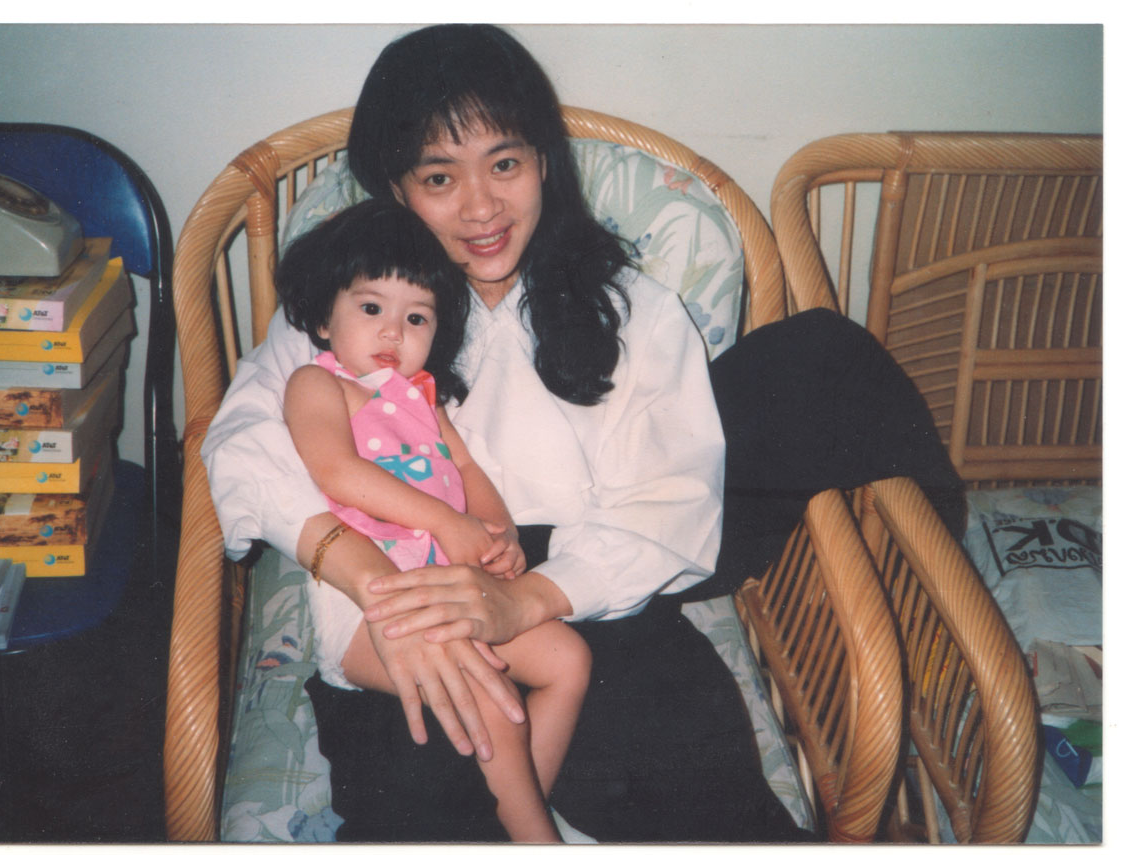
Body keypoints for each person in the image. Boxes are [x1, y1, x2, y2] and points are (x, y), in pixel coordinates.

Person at [203, 23, 807, 842]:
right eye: (440, 176)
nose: (481, 207)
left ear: (544, 163)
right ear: (396, 188)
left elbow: (672, 504)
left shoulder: (636, 313)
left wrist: (520, 600)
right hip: (407, 596)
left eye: (506, 164)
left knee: (703, 799)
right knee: (418, 803)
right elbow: (240, 441)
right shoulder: (358, 306)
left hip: (588, 602)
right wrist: (364, 577)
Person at [275, 198, 591, 842]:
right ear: (324, 314)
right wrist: (445, 524)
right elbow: (337, 472)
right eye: (371, 309)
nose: (393, 333)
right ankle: (536, 837)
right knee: (488, 698)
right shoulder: (318, 383)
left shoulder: (425, 399)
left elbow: (471, 477)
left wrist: (496, 541)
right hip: (367, 606)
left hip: (448, 590)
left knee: (568, 658)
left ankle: (514, 813)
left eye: (415, 317)